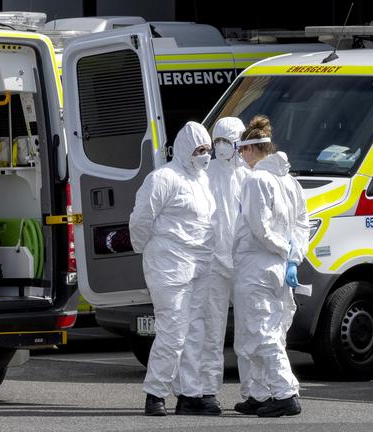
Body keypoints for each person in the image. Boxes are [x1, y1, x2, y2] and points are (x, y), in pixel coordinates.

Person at [129, 121, 216, 417]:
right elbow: (141, 219)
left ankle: (189, 394)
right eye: (198, 149)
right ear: (183, 149)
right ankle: (155, 393)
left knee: (195, 331)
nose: (204, 155)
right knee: (173, 331)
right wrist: (147, 251)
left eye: (207, 149)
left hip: (199, 264)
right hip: (168, 265)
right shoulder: (163, 178)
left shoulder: (203, 181)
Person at [231, 115, 310, 418]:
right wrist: (293, 256)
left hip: (257, 267)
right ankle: (259, 393)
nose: (239, 156)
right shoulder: (290, 181)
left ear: (252, 149)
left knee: (260, 333)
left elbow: (259, 228)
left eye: (241, 150)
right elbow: (303, 224)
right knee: (269, 333)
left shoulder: (256, 180)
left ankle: (285, 393)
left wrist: (283, 250)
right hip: (279, 269)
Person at [175, 117, 250, 415]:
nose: (221, 148)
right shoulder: (206, 175)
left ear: (240, 143)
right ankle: (206, 391)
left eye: (227, 142)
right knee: (210, 332)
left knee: (251, 332)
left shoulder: (250, 176)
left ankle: (257, 392)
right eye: (217, 141)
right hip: (214, 264)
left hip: (245, 263)